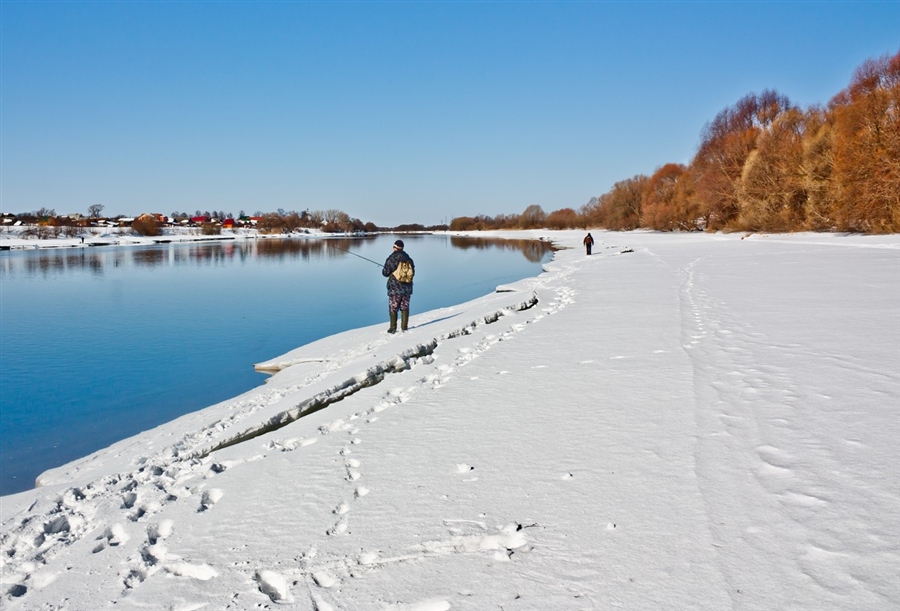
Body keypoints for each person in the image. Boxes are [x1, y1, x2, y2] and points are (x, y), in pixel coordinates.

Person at [382, 239, 415, 333]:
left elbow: (385, 273)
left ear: (394, 247)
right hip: (407, 288)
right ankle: (404, 327)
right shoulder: (408, 258)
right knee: (405, 307)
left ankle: (393, 328)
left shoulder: (392, 258)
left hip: (394, 288)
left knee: (393, 307)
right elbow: (413, 273)